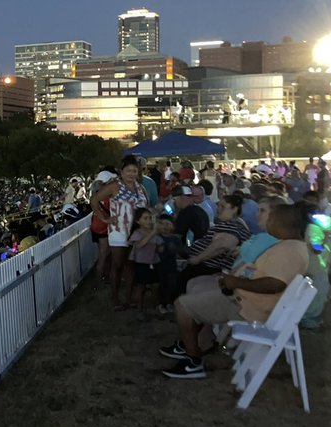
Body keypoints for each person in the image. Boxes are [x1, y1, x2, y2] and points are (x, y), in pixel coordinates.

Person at [160, 204, 311, 379]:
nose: (267, 222)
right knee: (196, 292)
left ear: (282, 222)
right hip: (245, 300)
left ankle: (193, 361)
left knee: (182, 305)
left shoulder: (289, 251)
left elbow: (274, 284)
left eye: (271, 218)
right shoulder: (291, 246)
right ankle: (194, 344)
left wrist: (235, 282)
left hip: (246, 307)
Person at [91, 156, 148, 310]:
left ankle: (128, 298)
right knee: (117, 265)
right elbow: (94, 199)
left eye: (134, 171)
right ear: (122, 172)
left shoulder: (141, 188)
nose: (131, 174)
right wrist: (105, 218)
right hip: (118, 231)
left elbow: (146, 208)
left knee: (131, 265)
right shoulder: (114, 186)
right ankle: (115, 298)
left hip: (135, 232)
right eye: (128, 171)